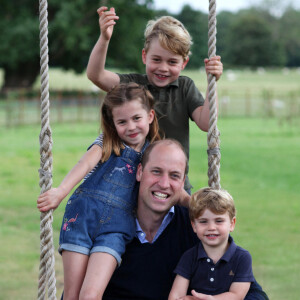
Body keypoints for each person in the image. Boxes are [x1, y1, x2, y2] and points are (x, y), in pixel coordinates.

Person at [100, 139, 269, 300]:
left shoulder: (197, 226)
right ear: (139, 172)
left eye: (174, 175)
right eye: (156, 171)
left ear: (182, 182)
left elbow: (254, 293)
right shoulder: (106, 224)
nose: (164, 183)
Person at [37, 83, 161, 300]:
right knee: (73, 294)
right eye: (122, 122)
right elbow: (84, 164)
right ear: (113, 123)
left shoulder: (153, 154)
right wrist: (60, 192)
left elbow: (161, 186)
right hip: (81, 218)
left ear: (150, 116)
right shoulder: (107, 142)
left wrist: (192, 202)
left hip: (116, 229)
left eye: (136, 118)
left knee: (91, 295)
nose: (131, 127)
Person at [86, 7, 223, 193]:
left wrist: (211, 83)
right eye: (156, 59)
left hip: (174, 184)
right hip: (133, 185)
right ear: (144, 56)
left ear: (184, 64)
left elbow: (206, 123)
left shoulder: (185, 87)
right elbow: (96, 75)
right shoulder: (133, 85)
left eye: (172, 62)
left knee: (182, 220)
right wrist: (104, 38)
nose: (163, 68)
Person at [169, 187, 254, 300]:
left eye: (219, 221)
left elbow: (237, 295)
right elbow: (175, 295)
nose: (211, 228)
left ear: (232, 224)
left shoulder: (242, 257)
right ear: (194, 225)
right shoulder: (189, 257)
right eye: (203, 222)